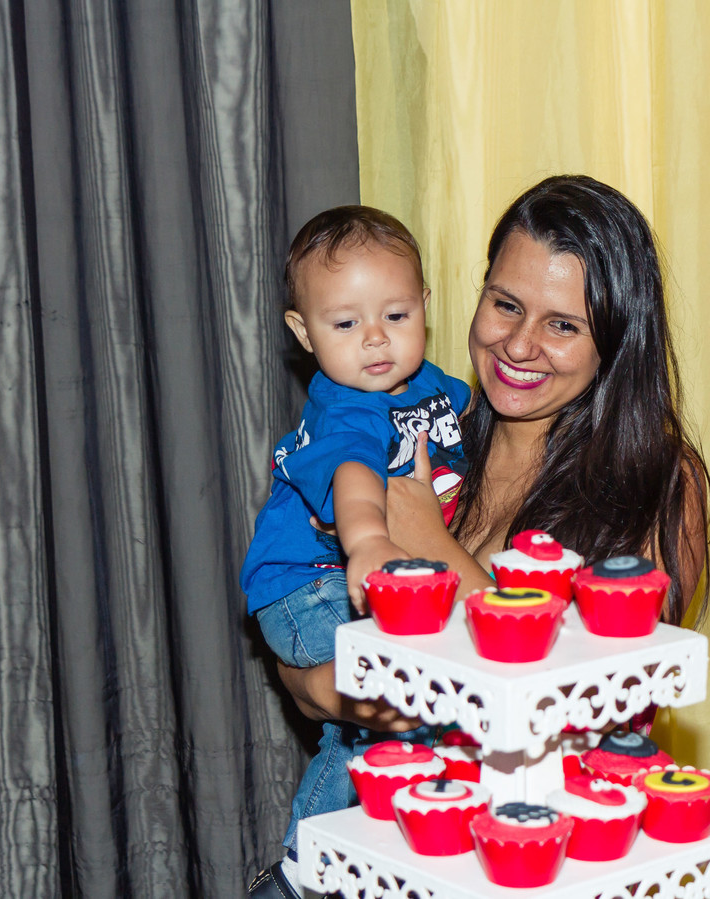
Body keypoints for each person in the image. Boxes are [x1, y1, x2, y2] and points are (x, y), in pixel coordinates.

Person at [268, 174, 710, 894]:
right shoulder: (432, 432)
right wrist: (358, 693)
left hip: (533, 863)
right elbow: (305, 667)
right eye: (506, 304)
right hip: (388, 843)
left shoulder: (660, 480)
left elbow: (595, 712)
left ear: (615, 339)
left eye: (562, 325)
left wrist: (432, 545)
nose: (518, 344)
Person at [242, 206, 471, 899]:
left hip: (344, 577)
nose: (375, 338)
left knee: (390, 726)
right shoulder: (345, 408)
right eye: (345, 324)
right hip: (308, 586)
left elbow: (459, 424)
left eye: (396, 316)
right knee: (390, 707)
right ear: (302, 332)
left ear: (425, 305)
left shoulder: (432, 388)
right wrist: (369, 539)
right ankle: (305, 863)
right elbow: (354, 477)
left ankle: (359, 850)